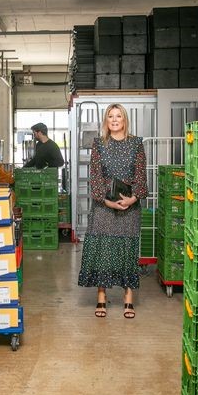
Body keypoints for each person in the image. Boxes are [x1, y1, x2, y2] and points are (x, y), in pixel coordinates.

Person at [77, 103, 147, 319]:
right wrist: (107, 202)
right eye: (110, 116)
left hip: (130, 205)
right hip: (104, 206)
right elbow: (95, 176)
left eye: (118, 116)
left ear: (125, 120)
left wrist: (133, 198)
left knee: (127, 250)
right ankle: (101, 297)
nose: (115, 120)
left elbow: (141, 174)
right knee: (103, 250)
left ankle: (128, 300)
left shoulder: (136, 144)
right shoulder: (99, 144)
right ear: (106, 121)